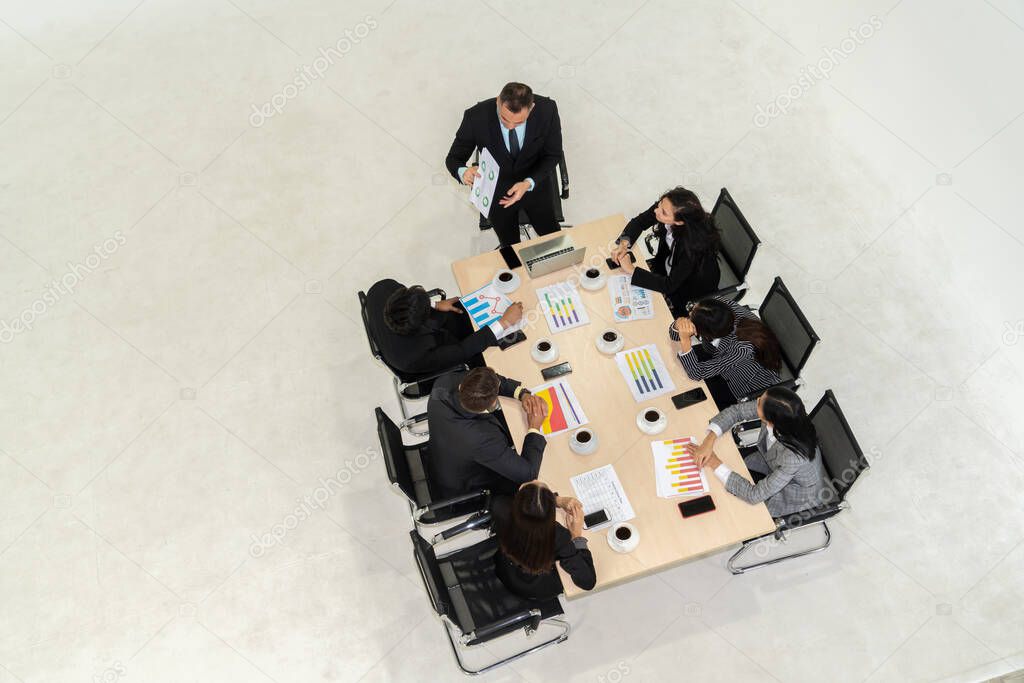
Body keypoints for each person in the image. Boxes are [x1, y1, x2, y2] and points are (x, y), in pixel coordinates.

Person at [445, 82, 563, 246]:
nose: (510, 127)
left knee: (553, 240)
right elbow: (453, 158)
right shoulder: (475, 116)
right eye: (504, 119)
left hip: (534, 185)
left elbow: (553, 154)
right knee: (509, 246)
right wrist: (463, 171)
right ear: (498, 101)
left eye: (519, 123)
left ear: (531, 108)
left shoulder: (547, 110)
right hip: (497, 191)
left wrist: (528, 183)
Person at [687, 387, 833, 517]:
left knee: (731, 509)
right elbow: (737, 411)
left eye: (759, 403)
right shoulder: (782, 412)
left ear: (771, 419)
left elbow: (754, 495)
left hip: (793, 495)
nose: (756, 401)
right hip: (770, 461)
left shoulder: (793, 458)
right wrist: (709, 440)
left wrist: (714, 462)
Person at [426, 367, 548, 498]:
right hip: (463, 482)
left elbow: (484, 382)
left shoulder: (444, 383)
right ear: (494, 402)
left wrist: (521, 393)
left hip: (444, 450)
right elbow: (528, 475)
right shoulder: (483, 439)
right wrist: (534, 427)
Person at [364, 279, 523, 377]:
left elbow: (410, 299)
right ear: (423, 323)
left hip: (421, 336)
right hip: (437, 354)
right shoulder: (416, 357)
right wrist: (504, 322)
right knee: (504, 352)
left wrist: (434, 304)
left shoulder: (382, 289)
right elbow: (462, 350)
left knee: (463, 309)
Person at [611, 187, 721, 315]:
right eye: (659, 204)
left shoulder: (693, 249)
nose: (656, 211)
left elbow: (669, 285)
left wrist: (631, 269)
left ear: (680, 222)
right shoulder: (667, 208)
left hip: (686, 292)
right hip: (666, 268)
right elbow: (640, 222)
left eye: (663, 212)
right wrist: (624, 244)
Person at [491, 481, 596, 600]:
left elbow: (529, 507)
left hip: (505, 567)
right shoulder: (558, 536)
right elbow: (587, 582)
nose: (535, 480)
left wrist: (557, 500)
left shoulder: (500, 506)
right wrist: (576, 535)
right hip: (535, 586)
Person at [672, 297, 782, 407]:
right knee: (674, 369)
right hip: (717, 356)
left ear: (706, 333)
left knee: (684, 401)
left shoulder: (741, 349)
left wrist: (685, 339)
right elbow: (675, 335)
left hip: (740, 385)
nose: (690, 313)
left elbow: (696, 373)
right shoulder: (717, 307)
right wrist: (678, 325)